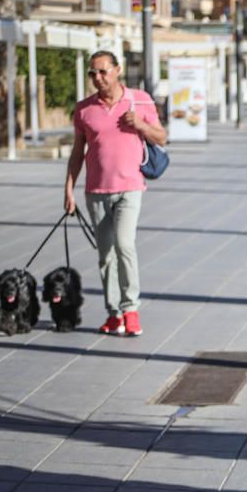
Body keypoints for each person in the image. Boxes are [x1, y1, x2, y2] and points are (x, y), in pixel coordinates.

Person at [63, 51, 167, 337]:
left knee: (124, 245)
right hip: (96, 190)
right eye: (92, 73)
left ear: (117, 70)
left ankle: (131, 309)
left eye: (103, 71)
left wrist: (141, 125)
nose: (98, 78)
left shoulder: (140, 99)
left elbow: (161, 137)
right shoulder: (84, 109)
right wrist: (69, 188)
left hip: (131, 188)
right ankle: (114, 314)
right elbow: (77, 152)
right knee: (105, 255)